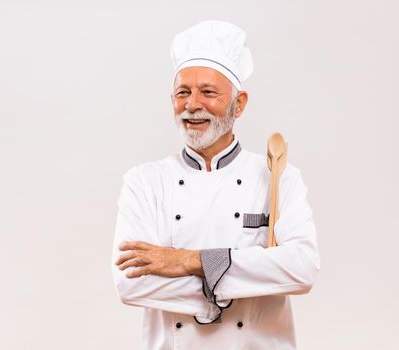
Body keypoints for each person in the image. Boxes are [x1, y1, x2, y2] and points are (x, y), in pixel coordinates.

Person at [111, 20, 320, 349]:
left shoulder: (279, 176)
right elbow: (131, 284)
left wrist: (189, 261)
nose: (192, 104)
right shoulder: (145, 182)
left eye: (208, 92)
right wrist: (250, 276)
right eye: (183, 92)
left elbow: (302, 269)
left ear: (239, 104)